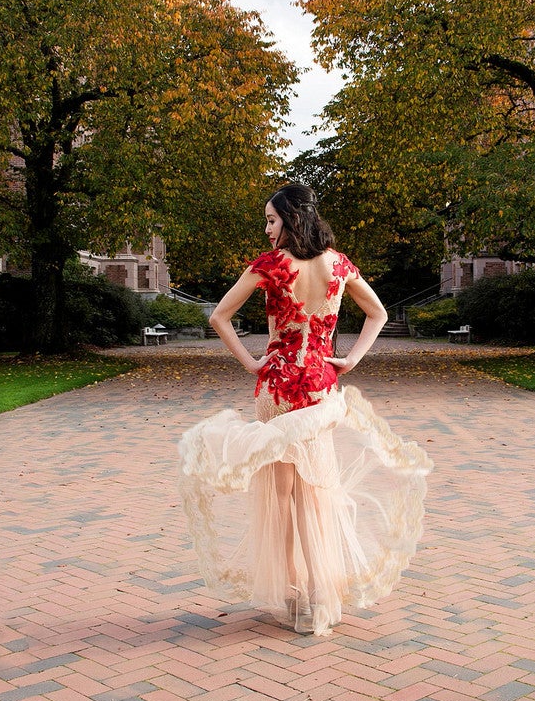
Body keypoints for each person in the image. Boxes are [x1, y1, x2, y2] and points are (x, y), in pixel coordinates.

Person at [176, 183, 432, 637]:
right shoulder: (338, 263)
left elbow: (218, 316)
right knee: (316, 491)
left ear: (291, 219)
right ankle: (318, 599)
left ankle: (293, 595)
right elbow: (379, 313)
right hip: (318, 388)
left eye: (272, 220)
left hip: (277, 387)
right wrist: (350, 358)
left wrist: (252, 360)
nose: (268, 229)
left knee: (279, 496)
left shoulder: (272, 265)